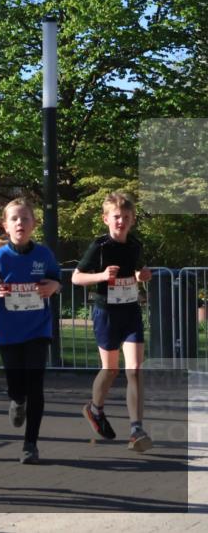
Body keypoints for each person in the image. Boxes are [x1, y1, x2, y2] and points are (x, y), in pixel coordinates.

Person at [0, 198, 61, 465]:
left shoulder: (44, 255)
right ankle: (17, 399)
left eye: (25, 218)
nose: (20, 223)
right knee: (17, 384)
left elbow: (57, 280)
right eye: (14, 219)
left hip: (38, 329)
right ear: (5, 225)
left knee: (36, 386)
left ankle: (30, 444)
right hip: (9, 332)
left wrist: (54, 287)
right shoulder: (0, 257)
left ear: (33, 224)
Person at [72, 191, 153, 452]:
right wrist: (101, 276)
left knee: (135, 369)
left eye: (126, 217)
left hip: (130, 312)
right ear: (105, 218)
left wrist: (142, 276)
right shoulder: (99, 246)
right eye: (117, 217)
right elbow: (76, 278)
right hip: (106, 313)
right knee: (111, 370)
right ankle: (95, 410)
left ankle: (136, 429)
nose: (121, 221)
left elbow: (137, 272)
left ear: (132, 220)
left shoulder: (135, 245)